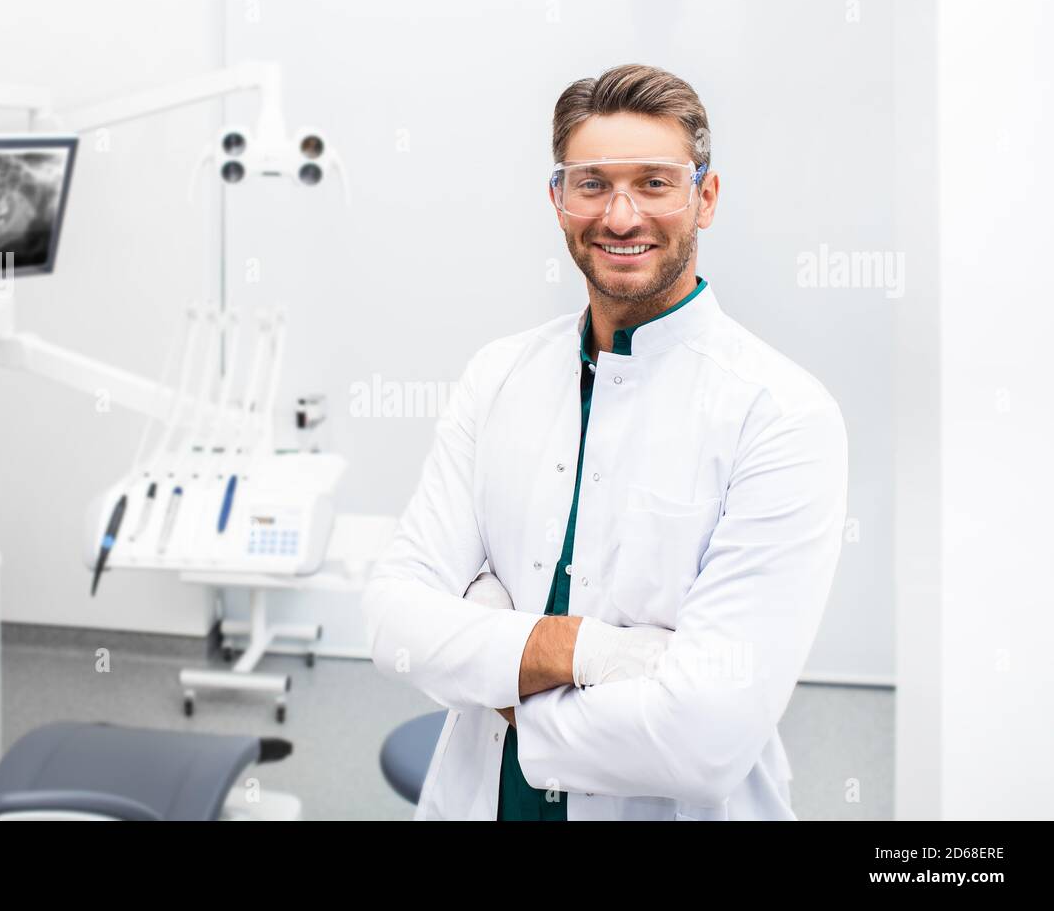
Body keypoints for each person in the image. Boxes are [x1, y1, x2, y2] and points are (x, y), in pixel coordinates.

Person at [362, 63, 848, 821]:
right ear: (558, 199)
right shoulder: (498, 376)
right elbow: (394, 622)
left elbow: (703, 740)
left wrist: (489, 651)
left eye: (655, 183)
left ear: (705, 198)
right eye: (592, 183)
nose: (621, 217)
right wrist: (595, 655)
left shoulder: (781, 414)